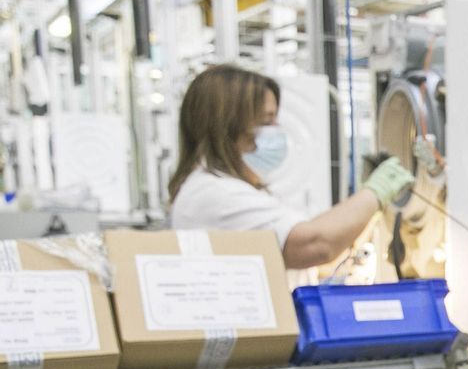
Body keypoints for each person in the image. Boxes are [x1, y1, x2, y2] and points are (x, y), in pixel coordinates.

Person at [168, 64, 414, 275]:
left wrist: (363, 206)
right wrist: (375, 192)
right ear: (228, 127)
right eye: (267, 120)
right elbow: (316, 244)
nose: (277, 128)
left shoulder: (227, 189)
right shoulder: (217, 194)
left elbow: (312, 246)